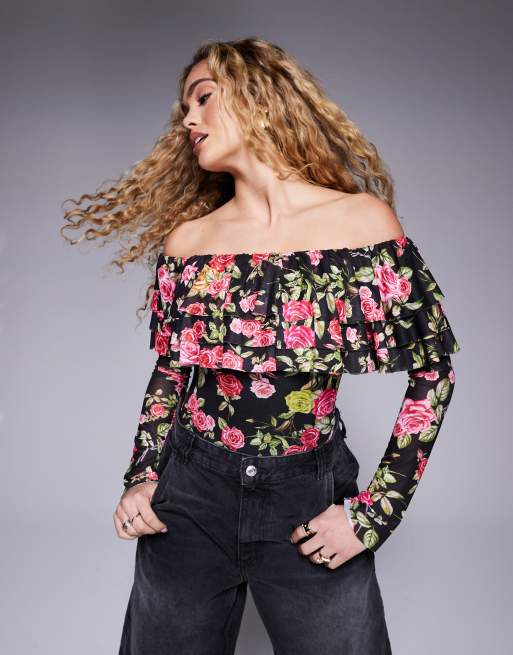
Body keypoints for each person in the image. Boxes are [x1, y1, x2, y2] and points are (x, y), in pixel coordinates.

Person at [61, 37, 460, 655]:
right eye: (184, 106)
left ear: (258, 97)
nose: (188, 119)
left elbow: (433, 373)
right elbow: (171, 375)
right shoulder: (190, 242)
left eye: (203, 98)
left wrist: (373, 514)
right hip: (191, 494)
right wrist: (142, 477)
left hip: (308, 494)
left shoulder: (362, 224)